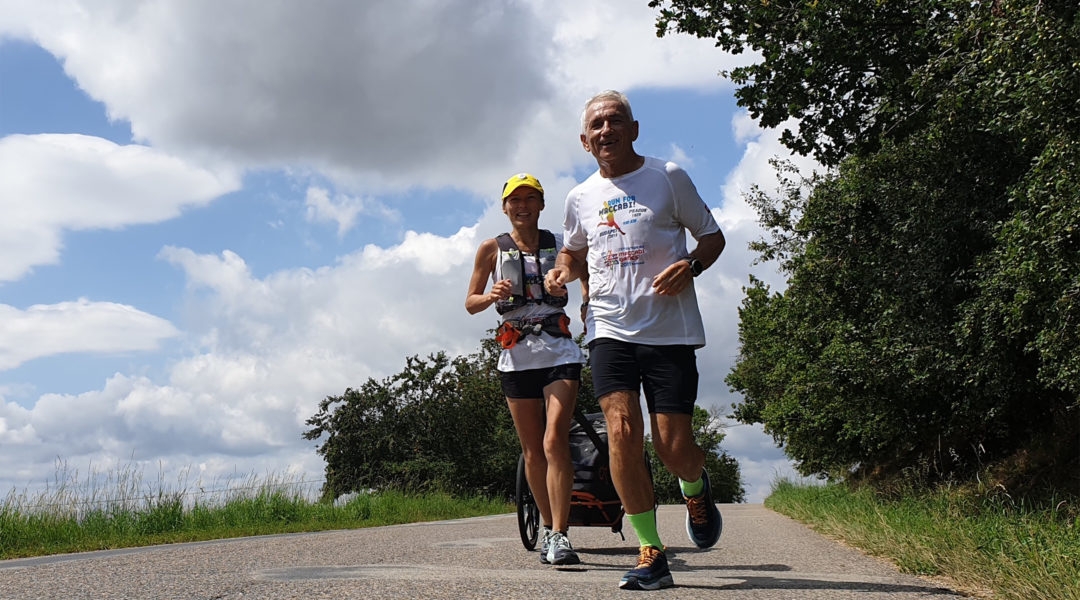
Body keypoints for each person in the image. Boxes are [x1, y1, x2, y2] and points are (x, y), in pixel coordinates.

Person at [544, 90, 726, 590]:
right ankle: (651, 550)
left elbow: (712, 238)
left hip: (669, 331)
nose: (607, 130)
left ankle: (695, 487)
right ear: (585, 141)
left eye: (615, 120)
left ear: (634, 128)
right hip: (608, 329)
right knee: (621, 430)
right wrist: (562, 272)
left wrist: (691, 265)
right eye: (597, 125)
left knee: (672, 446)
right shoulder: (579, 197)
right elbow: (574, 255)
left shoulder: (668, 177)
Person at [466, 172, 587, 566]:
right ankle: (550, 529)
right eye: (514, 201)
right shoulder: (491, 249)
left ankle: (561, 535)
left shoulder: (560, 246)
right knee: (533, 449)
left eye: (529, 199)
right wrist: (491, 295)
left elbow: (585, 274)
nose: (522, 206)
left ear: (541, 204)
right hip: (516, 355)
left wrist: (584, 302)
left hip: (559, 351)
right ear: (505, 208)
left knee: (555, 440)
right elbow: (469, 301)